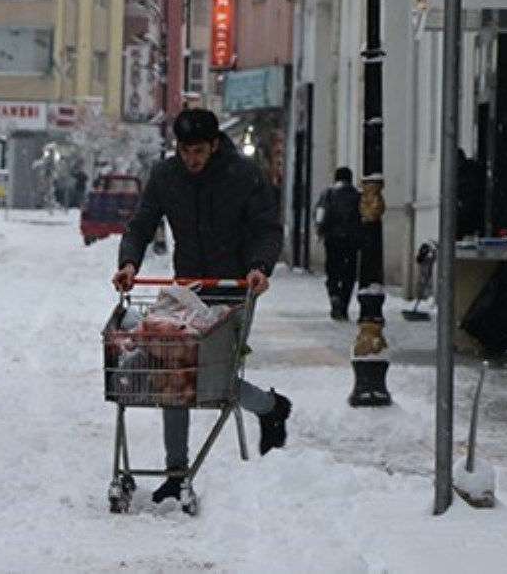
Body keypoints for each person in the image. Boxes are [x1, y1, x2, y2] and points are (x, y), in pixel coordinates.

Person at [113, 107, 293, 505]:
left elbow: (267, 228)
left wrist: (259, 268)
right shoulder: (166, 175)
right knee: (176, 369)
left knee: (218, 380)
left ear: (214, 145)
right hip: (187, 290)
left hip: (235, 287)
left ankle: (271, 407)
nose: (191, 160)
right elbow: (142, 224)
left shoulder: (243, 175)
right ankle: (177, 473)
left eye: (198, 152)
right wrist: (128, 263)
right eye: (184, 152)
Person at [315, 166, 363, 321]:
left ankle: (334, 293)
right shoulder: (357, 195)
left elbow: (320, 213)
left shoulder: (328, 194)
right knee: (349, 273)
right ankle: (344, 305)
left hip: (332, 238)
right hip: (351, 239)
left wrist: (320, 230)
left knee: (332, 270)